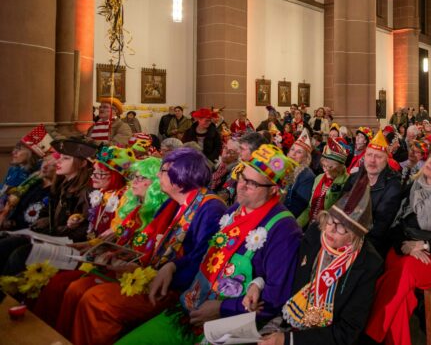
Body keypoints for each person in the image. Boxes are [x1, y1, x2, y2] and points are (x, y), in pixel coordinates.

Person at [118, 145, 302, 344]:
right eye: (241, 177)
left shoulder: (284, 229)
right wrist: (173, 266)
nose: (240, 186)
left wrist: (221, 309)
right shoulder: (235, 210)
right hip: (189, 308)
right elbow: (205, 252)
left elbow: (275, 298)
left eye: (251, 184)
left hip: (226, 329)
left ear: (274, 189)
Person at [69, 147, 227, 345]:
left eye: (163, 170)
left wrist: (171, 267)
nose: (158, 176)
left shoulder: (211, 207)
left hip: (176, 289)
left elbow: (205, 256)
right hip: (156, 275)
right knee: (81, 288)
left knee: (97, 300)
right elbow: (156, 248)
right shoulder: (173, 203)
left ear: (181, 174)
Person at [33, 157, 168, 334]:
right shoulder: (135, 209)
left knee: (85, 293)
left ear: (156, 184)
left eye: (141, 177)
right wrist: (91, 249)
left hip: (137, 277)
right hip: (116, 267)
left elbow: (151, 257)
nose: (133, 181)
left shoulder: (163, 214)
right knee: (69, 286)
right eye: (133, 176)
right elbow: (116, 240)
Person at [252, 172, 382, 345]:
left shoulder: (367, 265)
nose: (330, 230)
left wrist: (289, 340)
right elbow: (283, 269)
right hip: (283, 318)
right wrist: (258, 283)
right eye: (331, 220)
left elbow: (347, 331)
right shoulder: (315, 234)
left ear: (356, 236)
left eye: (343, 228)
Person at [364, 136, 431, 345]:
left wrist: (423, 245)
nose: (430, 162)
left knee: (405, 271)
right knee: (403, 294)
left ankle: (371, 334)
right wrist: (406, 246)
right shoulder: (412, 188)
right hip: (404, 247)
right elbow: (395, 226)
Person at [0, 138, 96, 275]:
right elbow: (48, 210)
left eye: (66, 158)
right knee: (5, 243)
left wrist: (56, 229)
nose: (58, 161)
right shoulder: (62, 184)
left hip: (69, 245)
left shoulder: (86, 191)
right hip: (52, 236)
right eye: (60, 157)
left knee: (18, 255)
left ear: (82, 163)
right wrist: (45, 219)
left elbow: (85, 229)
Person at [343, 131, 404, 256]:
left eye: (378, 156)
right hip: (346, 232)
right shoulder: (355, 177)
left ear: (386, 159)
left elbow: (379, 227)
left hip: (371, 242)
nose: (372, 160)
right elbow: (341, 205)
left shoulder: (393, 186)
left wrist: (351, 238)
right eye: (369, 155)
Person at [296, 138, 350, 229]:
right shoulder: (319, 178)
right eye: (324, 166)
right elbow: (310, 207)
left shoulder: (347, 181)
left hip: (329, 228)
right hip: (312, 225)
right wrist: (297, 224)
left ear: (340, 166)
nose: (325, 169)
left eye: (330, 167)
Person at [283, 129, 317, 217]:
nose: (293, 154)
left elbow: (298, 207)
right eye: (292, 149)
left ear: (306, 158)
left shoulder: (307, 176)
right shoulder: (282, 168)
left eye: (299, 152)